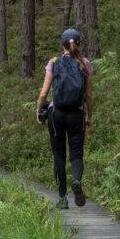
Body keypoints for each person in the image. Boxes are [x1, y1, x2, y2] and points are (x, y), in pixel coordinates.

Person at [36, 28, 93, 209]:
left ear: (63, 45)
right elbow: (89, 96)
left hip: (57, 114)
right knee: (76, 155)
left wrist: (39, 111)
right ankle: (76, 180)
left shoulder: (54, 63)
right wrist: (89, 117)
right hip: (77, 114)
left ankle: (62, 199)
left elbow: (44, 93)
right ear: (79, 44)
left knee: (59, 156)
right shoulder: (85, 64)